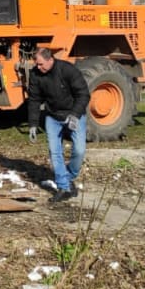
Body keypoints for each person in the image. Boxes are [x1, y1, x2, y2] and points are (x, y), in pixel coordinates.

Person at [27, 47, 90, 203]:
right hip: (52, 117)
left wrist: (75, 115)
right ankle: (63, 187)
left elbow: (83, 94)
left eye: (41, 64)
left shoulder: (67, 70)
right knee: (55, 153)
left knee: (79, 151)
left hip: (73, 114)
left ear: (50, 60)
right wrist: (33, 124)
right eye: (36, 63)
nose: (38, 67)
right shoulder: (35, 74)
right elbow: (34, 100)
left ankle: (69, 177)